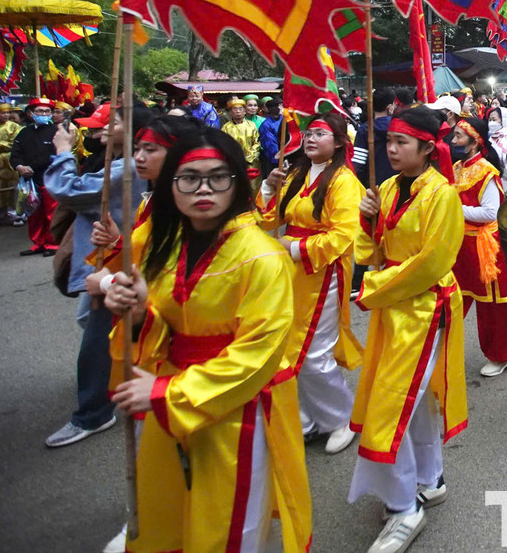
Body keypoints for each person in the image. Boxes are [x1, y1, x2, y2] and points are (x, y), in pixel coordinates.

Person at [102, 129, 312, 553]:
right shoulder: (167, 244)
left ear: (238, 182)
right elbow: (167, 325)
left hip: (237, 408)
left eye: (218, 177)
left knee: (225, 529)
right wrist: (142, 313)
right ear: (170, 185)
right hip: (170, 395)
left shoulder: (262, 256)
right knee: (169, 512)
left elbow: (259, 353)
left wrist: (167, 392)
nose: (203, 189)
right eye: (189, 178)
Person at [351, 105, 467, 552]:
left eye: (402, 142)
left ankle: (404, 507)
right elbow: (372, 252)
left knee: (390, 406)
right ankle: (429, 478)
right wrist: (367, 221)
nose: (392, 149)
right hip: (392, 308)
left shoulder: (442, 194)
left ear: (426, 147)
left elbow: (433, 263)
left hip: (423, 309)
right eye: (389, 142)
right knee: (412, 403)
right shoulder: (384, 188)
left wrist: (373, 289)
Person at [41, 103, 149, 450]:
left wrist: (62, 152)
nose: (98, 130)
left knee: (99, 338)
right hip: (112, 255)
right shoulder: (114, 161)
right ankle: (119, 382)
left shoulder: (131, 167)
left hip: (123, 264)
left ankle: (93, 412)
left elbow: (68, 190)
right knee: (96, 324)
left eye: (110, 123)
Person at [257, 111, 365, 455]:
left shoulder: (344, 181)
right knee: (288, 345)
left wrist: (293, 247)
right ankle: (308, 417)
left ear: (338, 143)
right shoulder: (296, 174)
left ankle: (341, 417)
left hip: (322, 274)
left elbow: (343, 236)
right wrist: (268, 187)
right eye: (309, 132)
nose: (311, 138)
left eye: (320, 133)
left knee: (313, 350)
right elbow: (270, 219)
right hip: (289, 272)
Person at [450, 117, 507, 376]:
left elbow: (491, 213)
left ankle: (502, 355)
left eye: (458, 136)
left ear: (475, 140)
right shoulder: (455, 167)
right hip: (458, 244)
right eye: (454, 135)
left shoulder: (487, 171)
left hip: (482, 246)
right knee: (454, 300)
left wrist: (455, 209)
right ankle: (443, 352)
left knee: (491, 306)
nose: (454, 141)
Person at [11, 97, 62, 255]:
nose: (44, 114)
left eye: (48, 111)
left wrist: (32, 167)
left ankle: (52, 243)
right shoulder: (24, 132)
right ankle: (37, 242)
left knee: (51, 213)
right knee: (33, 213)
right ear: (31, 113)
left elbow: (53, 154)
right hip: (29, 180)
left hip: (49, 178)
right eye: (40, 111)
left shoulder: (57, 131)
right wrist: (19, 166)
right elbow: (15, 153)